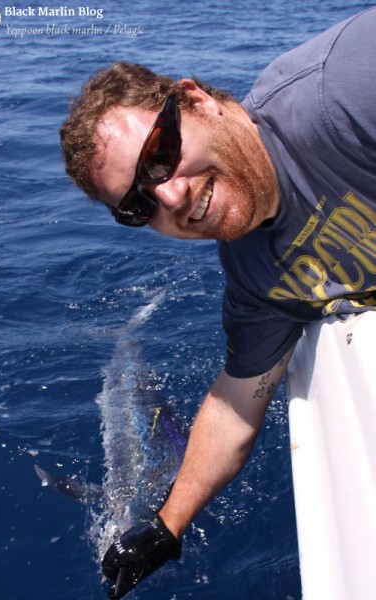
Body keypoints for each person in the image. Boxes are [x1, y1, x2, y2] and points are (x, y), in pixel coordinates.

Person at [60, 7, 376, 598]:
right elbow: (236, 403)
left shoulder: (343, 90)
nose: (171, 195)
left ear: (197, 101)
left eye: (160, 156)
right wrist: (166, 527)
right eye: (138, 205)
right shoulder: (257, 277)